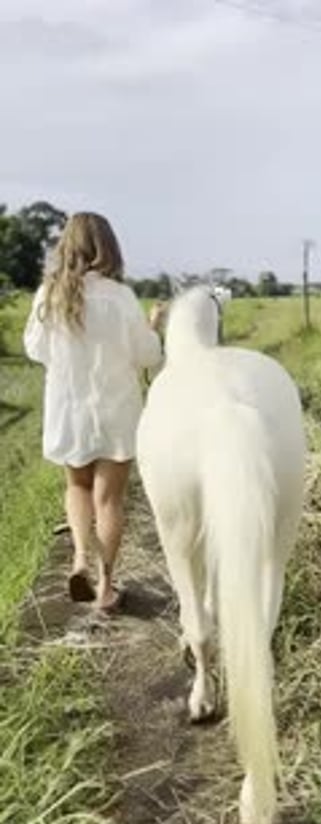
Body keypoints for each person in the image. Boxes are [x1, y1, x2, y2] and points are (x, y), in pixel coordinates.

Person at [23, 212, 165, 612]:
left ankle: (80, 558)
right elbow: (147, 356)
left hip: (69, 411)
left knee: (78, 487)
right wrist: (154, 326)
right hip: (117, 410)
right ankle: (104, 587)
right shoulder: (121, 297)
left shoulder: (49, 294)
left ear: (67, 246)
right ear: (108, 247)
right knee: (110, 500)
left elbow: (35, 349)